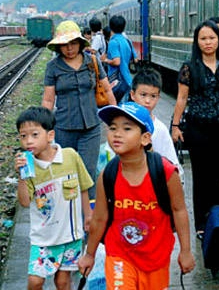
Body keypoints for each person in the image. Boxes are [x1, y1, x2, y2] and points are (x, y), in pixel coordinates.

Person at [78, 102, 195, 289]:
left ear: (145, 138)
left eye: (127, 128)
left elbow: (179, 210)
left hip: (156, 257)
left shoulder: (165, 172)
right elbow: (99, 219)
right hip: (119, 255)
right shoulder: (107, 175)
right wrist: (90, 254)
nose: (117, 133)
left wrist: (186, 251)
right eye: (113, 128)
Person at [171, 20, 219, 239]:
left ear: (218, 40)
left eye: (212, 38)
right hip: (197, 127)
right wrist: (175, 125)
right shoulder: (189, 67)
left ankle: (217, 217)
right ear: (197, 41)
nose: (208, 42)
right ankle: (201, 223)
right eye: (203, 38)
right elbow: (182, 98)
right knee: (201, 177)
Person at [15, 106, 94, 290]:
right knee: (35, 282)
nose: (28, 141)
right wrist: (21, 176)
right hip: (43, 238)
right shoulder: (29, 167)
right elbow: (25, 202)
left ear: (50, 135)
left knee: (63, 281)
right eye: (23, 136)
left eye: (34, 134)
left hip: (70, 234)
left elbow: (83, 186)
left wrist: (88, 214)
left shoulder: (70, 156)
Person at [43, 20, 116, 200]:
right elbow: (48, 98)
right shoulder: (53, 67)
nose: (69, 49)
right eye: (64, 45)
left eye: (73, 43)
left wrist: (116, 117)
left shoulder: (92, 61)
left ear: (80, 43)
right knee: (66, 173)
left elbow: (107, 89)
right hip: (64, 128)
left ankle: (89, 217)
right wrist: (43, 129)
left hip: (91, 127)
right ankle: (70, 217)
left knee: (88, 173)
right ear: (58, 46)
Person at [130, 66, 185, 182]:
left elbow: (172, 164)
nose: (148, 101)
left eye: (153, 96)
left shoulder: (160, 129)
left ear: (159, 97)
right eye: (143, 95)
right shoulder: (124, 125)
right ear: (132, 95)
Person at [101, 15, 135, 103]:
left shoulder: (113, 42)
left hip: (117, 81)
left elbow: (117, 62)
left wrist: (105, 60)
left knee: (117, 109)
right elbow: (132, 58)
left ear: (110, 27)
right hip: (127, 79)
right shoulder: (127, 41)